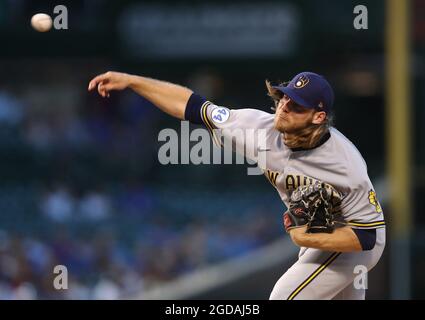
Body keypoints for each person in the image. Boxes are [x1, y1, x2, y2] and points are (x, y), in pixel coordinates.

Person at [88, 71, 386, 300]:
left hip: (354, 238)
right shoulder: (256, 128)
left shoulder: (346, 164)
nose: (284, 106)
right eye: (284, 97)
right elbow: (192, 106)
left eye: (297, 106)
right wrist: (133, 81)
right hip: (322, 233)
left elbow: (366, 238)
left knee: (284, 295)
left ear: (318, 117)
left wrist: (309, 236)